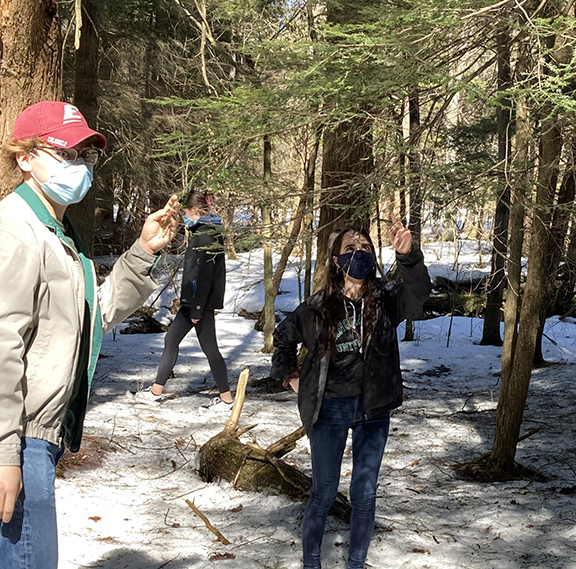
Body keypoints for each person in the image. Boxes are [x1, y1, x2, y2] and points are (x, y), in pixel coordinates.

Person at [0, 100, 180, 569]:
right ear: (24, 158)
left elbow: (91, 318)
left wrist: (142, 252)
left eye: (85, 155)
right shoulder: (11, 232)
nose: (79, 166)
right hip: (0, 433)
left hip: (21, 432)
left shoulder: (54, 234)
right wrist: (3, 455)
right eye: (64, 154)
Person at [271, 214, 431, 569]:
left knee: (364, 493)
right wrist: (290, 377)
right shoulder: (316, 306)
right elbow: (282, 338)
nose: (358, 252)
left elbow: (420, 292)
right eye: (350, 247)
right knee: (324, 492)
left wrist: (408, 257)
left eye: (364, 247)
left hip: (373, 409)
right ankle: (312, 564)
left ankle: (355, 564)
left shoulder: (387, 298)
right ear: (336, 259)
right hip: (328, 408)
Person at [142, 188, 233, 405]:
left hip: (198, 303)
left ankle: (226, 399)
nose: (185, 215)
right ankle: (156, 390)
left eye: (186, 211)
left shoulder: (205, 236)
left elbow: (204, 276)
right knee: (173, 340)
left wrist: (197, 309)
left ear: (194, 210)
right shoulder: (210, 232)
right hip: (198, 302)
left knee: (207, 347)